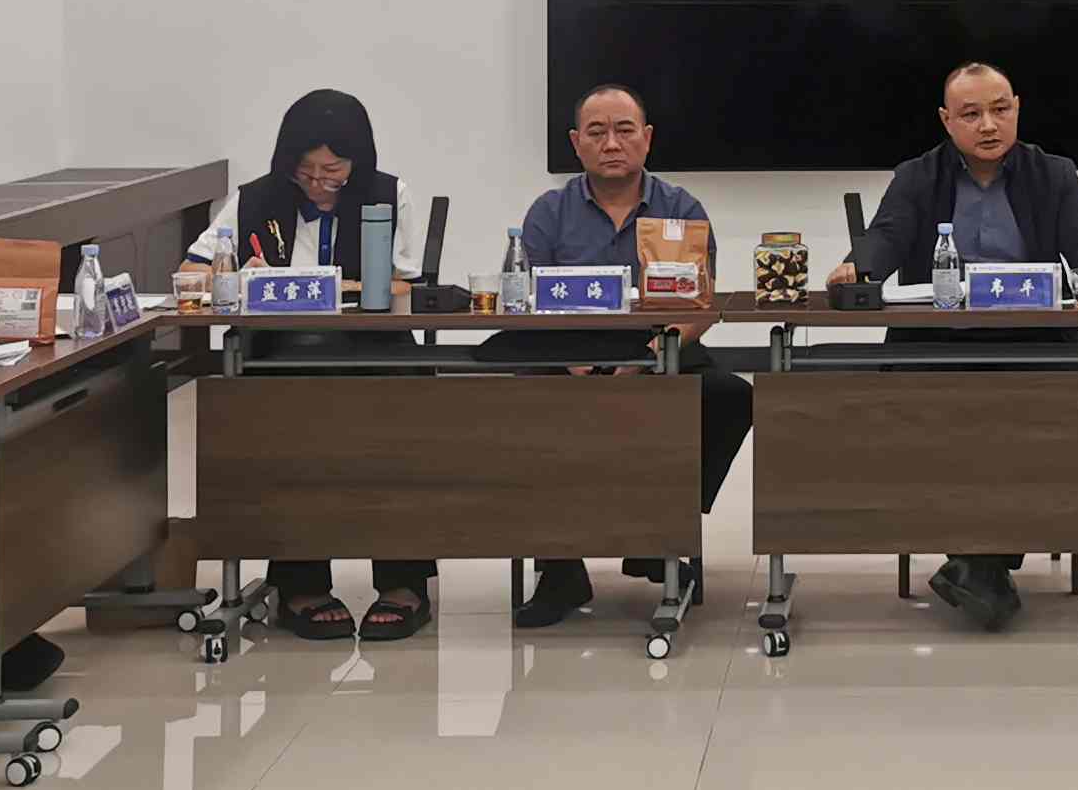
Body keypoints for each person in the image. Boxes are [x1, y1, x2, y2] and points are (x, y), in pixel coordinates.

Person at [827, 61, 1078, 631]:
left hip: (1035, 341)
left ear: (1017, 108)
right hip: (936, 344)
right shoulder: (918, 176)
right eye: (971, 114)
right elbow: (887, 235)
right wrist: (857, 266)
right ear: (947, 121)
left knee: (1036, 422)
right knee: (947, 421)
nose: (988, 125)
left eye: (1000, 109)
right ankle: (985, 564)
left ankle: (978, 563)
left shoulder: (1053, 173)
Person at [493, 84, 753, 630]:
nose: (611, 143)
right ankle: (560, 569)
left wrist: (653, 356)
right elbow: (524, 300)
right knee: (525, 406)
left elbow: (702, 305)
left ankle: (660, 533)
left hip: (659, 350)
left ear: (647, 138)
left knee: (730, 396)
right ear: (576, 143)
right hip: (566, 355)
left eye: (624, 130)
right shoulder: (549, 212)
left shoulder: (681, 208)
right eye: (597, 132)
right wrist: (571, 360)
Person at [191, 89, 433, 642]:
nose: (320, 183)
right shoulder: (254, 199)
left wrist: (341, 290)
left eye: (334, 171)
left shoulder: (389, 194)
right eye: (306, 171)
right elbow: (195, 269)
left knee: (401, 434)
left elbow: (408, 285)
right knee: (283, 434)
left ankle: (403, 581)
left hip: (376, 352)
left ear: (358, 162)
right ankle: (300, 582)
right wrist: (238, 276)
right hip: (284, 356)